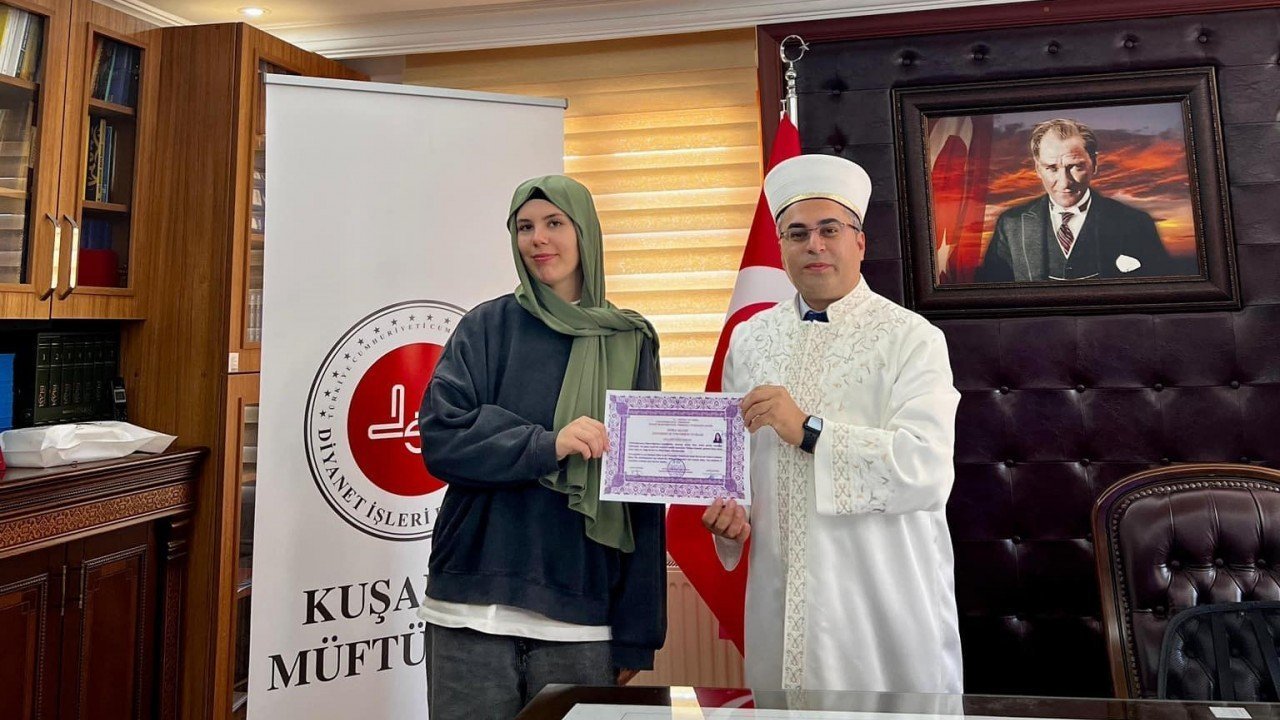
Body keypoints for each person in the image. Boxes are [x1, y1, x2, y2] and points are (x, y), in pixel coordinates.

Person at [702, 154, 963, 692]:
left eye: (829, 230)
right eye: (797, 233)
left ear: (859, 242)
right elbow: (735, 461)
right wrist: (733, 516)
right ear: (780, 247)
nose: (814, 245)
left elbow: (926, 468)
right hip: (779, 590)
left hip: (881, 593)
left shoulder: (911, 338)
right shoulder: (750, 339)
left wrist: (808, 429)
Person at [417, 175, 665, 719]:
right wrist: (546, 445)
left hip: (582, 614)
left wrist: (638, 634)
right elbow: (442, 437)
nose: (538, 239)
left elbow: (642, 493)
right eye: (524, 227)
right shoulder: (485, 326)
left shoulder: (629, 340)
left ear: (585, 232)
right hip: (469, 608)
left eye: (555, 223)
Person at [974, 118, 1179, 283]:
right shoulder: (1010, 225)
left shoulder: (1136, 223)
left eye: (1075, 167)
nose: (1064, 182)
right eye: (1051, 168)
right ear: (1037, 168)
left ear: (1094, 164)